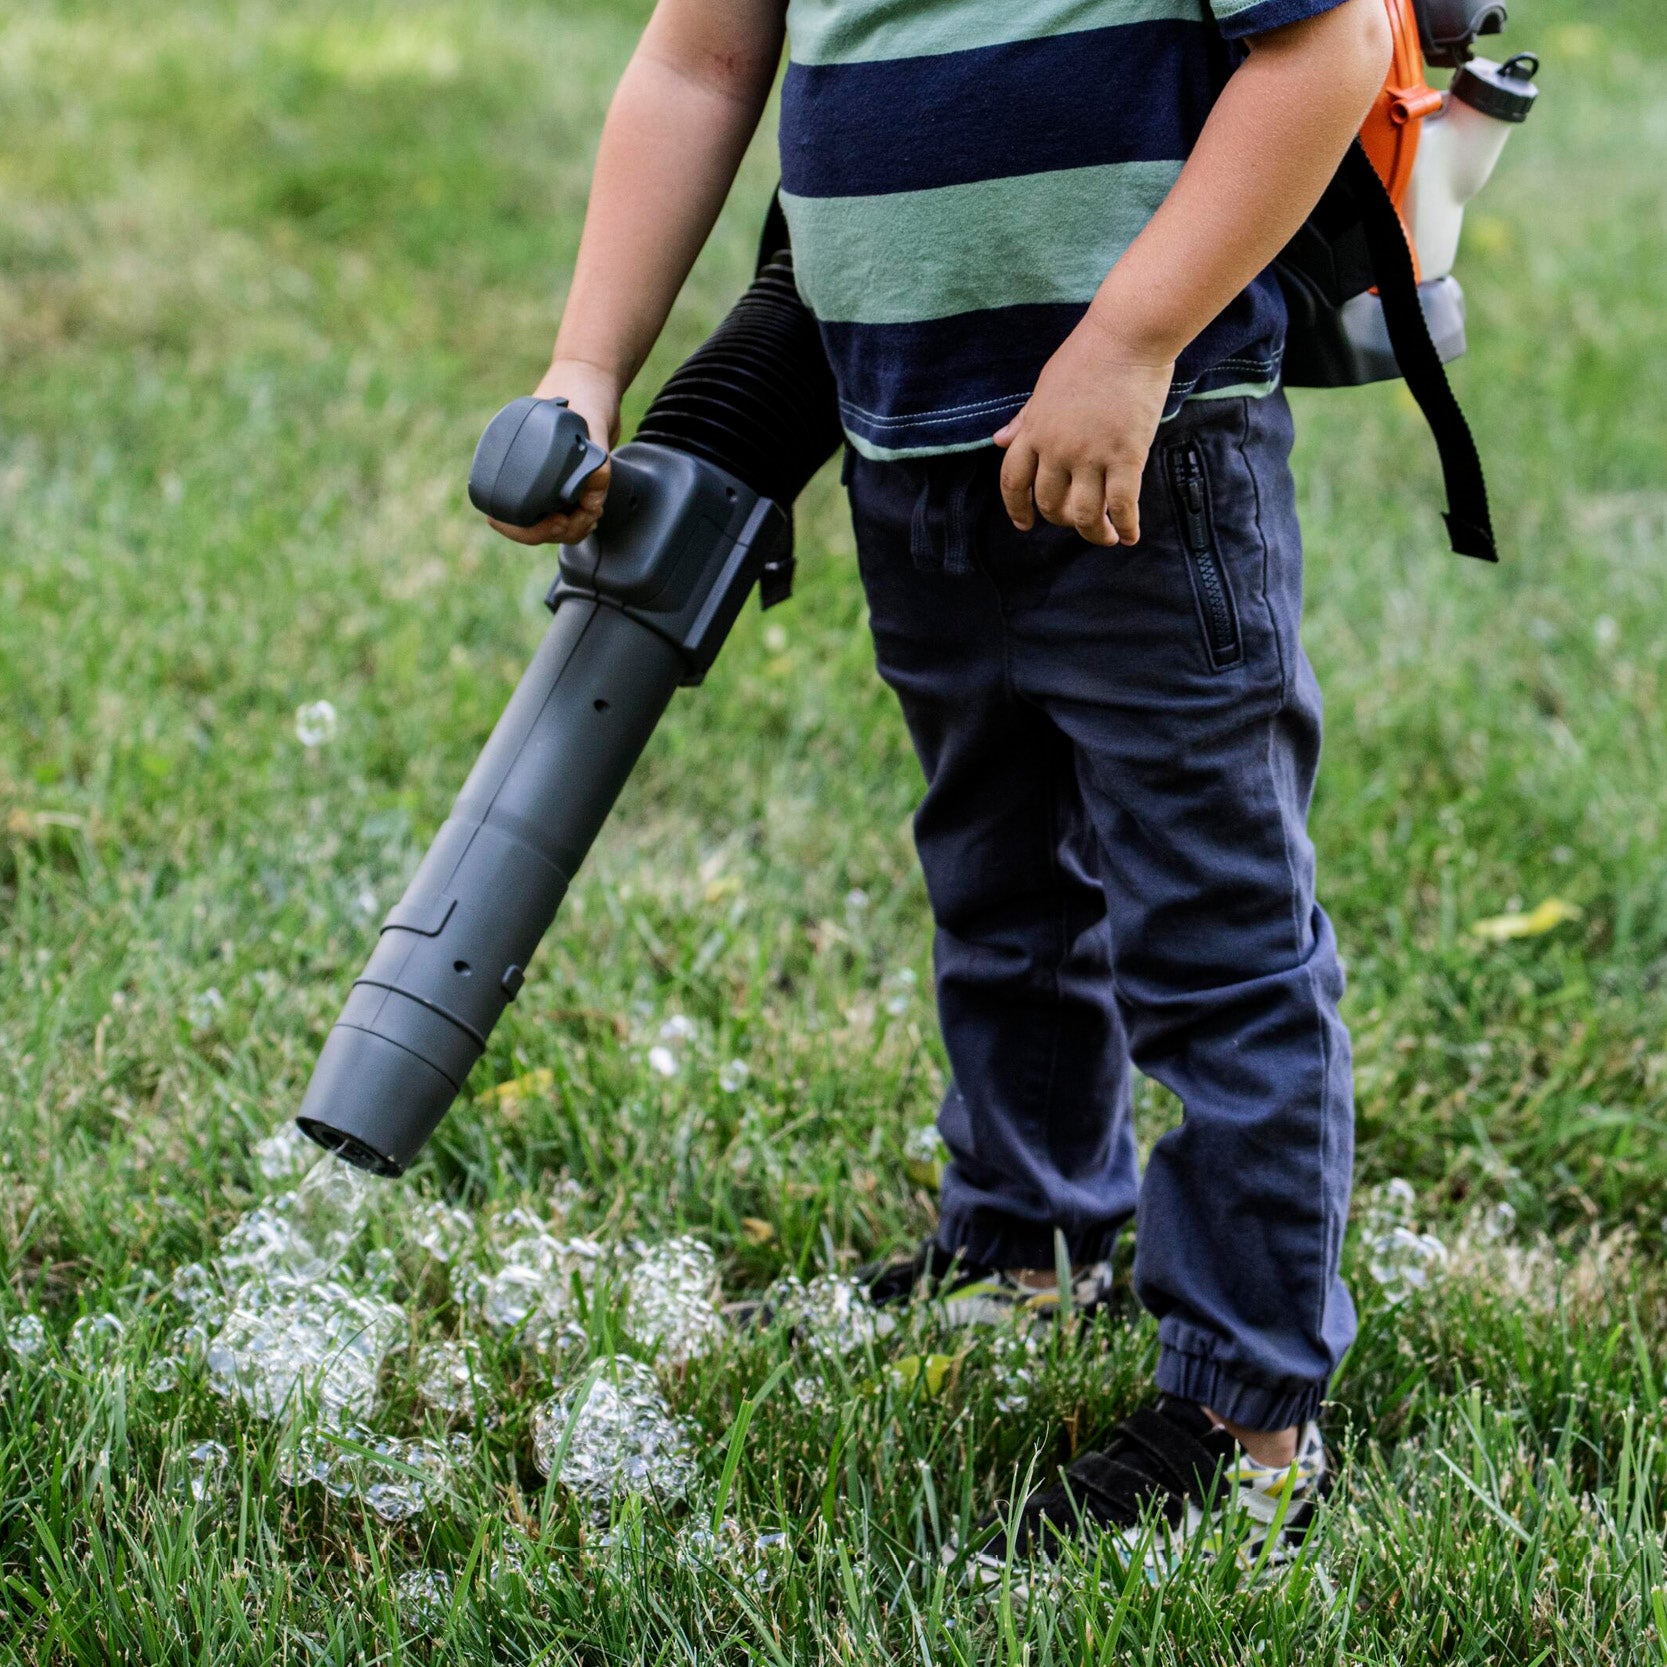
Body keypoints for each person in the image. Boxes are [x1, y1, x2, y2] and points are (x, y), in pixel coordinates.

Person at [492, 0, 1391, 1580]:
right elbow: (697, 61)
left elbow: (1325, 49)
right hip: (906, 454)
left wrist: (1132, 340)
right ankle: (1028, 1234)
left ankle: (1250, 1416)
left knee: (1214, 937)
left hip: (1151, 452)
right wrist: (585, 364)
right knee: (999, 871)